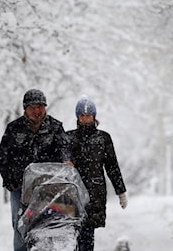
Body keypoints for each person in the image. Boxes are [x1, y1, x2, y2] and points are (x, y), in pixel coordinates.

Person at [0, 89, 73, 251]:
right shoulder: (13, 128)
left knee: (49, 224)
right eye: (33, 107)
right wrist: (10, 181)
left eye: (40, 107)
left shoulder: (55, 127)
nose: (37, 111)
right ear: (25, 109)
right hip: (20, 188)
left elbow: (64, 146)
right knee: (20, 225)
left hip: (49, 187)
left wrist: (66, 160)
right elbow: (2, 157)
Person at [66, 95, 128, 251]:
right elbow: (58, 163)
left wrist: (121, 191)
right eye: (82, 115)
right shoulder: (68, 138)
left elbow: (112, 166)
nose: (85, 119)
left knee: (87, 235)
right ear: (77, 117)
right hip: (71, 193)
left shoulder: (103, 138)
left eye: (89, 116)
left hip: (94, 193)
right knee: (70, 236)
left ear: (94, 116)